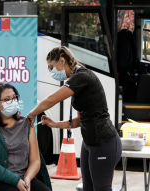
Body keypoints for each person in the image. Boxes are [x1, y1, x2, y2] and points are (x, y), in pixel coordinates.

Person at [27, 46, 122, 191]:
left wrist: (32, 114)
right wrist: (54, 124)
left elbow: (51, 100)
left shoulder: (82, 76)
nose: (51, 72)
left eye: (51, 67)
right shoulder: (76, 79)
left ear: (62, 61)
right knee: (87, 188)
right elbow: (79, 120)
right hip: (89, 143)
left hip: (103, 141)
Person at [0, 82, 52, 191]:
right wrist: (15, 180)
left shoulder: (26, 123)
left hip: (23, 178)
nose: (13, 101)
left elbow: (35, 160)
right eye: (7, 99)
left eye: (15, 97)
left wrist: (27, 178)